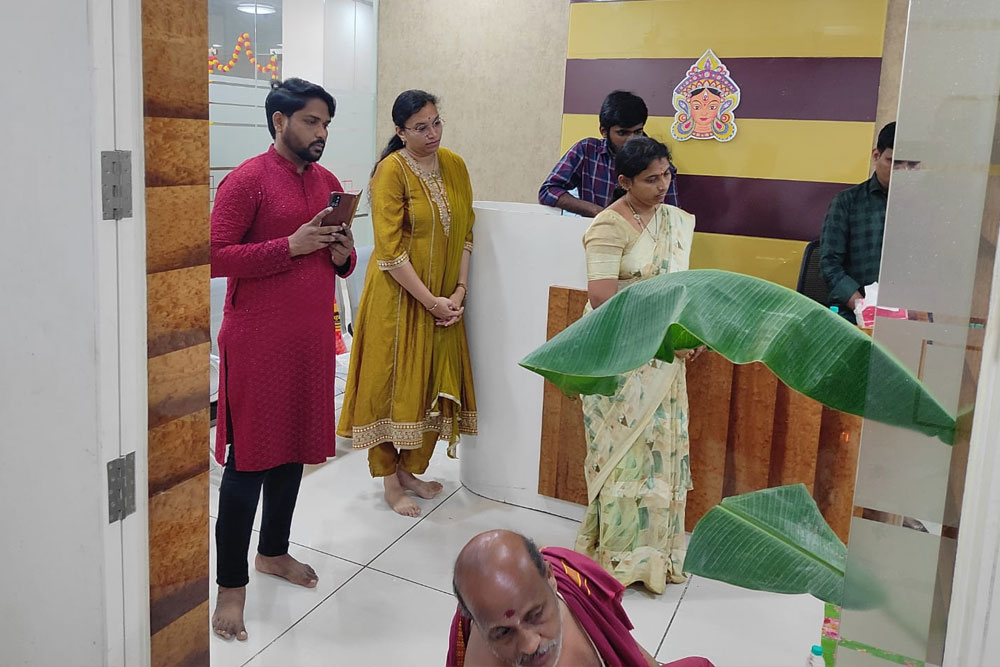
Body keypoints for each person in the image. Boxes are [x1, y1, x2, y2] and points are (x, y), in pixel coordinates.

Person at [210, 78, 356, 641]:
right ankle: (231, 587)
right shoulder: (247, 180)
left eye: (326, 124)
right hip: (256, 343)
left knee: (293, 450)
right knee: (248, 464)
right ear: (279, 121)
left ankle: (273, 551)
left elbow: (336, 263)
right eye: (311, 122)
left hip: (309, 341)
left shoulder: (328, 184)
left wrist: (341, 256)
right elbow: (214, 255)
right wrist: (287, 247)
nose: (321, 133)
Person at [338, 90, 477, 517]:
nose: (432, 133)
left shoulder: (454, 165)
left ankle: (409, 470)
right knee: (391, 386)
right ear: (400, 132)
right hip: (398, 302)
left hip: (443, 300)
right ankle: (389, 483)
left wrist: (459, 292)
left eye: (436, 122)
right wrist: (431, 301)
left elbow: (466, 233)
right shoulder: (391, 171)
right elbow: (390, 251)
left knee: (428, 385)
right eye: (420, 127)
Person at [577, 136, 700, 594]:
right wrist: (665, 333)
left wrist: (685, 333)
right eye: (651, 179)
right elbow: (603, 299)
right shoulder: (608, 226)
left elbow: (679, 288)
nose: (663, 185)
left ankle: (654, 559)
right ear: (625, 182)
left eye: (667, 174)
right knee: (621, 459)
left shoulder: (673, 221)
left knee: (658, 456)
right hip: (620, 354)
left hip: (664, 359)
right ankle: (614, 559)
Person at [448, 530, 715, 667]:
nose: (530, 645)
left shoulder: (572, 579)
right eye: (504, 633)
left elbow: (626, 647)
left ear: (550, 578)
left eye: (535, 615)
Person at [539, 91, 679, 217]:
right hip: (596, 232)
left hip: (642, 234)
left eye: (638, 132)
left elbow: (671, 216)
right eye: (622, 133)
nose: (632, 140)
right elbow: (548, 190)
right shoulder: (587, 151)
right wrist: (597, 212)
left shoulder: (659, 162)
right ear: (604, 132)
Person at [819, 121, 895, 323]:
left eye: (910, 165)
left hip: (909, 315)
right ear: (876, 156)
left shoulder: (925, 207)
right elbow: (830, 265)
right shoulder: (847, 202)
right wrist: (863, 307)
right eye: (892, 161)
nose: (901, 170)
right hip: (855, 314)